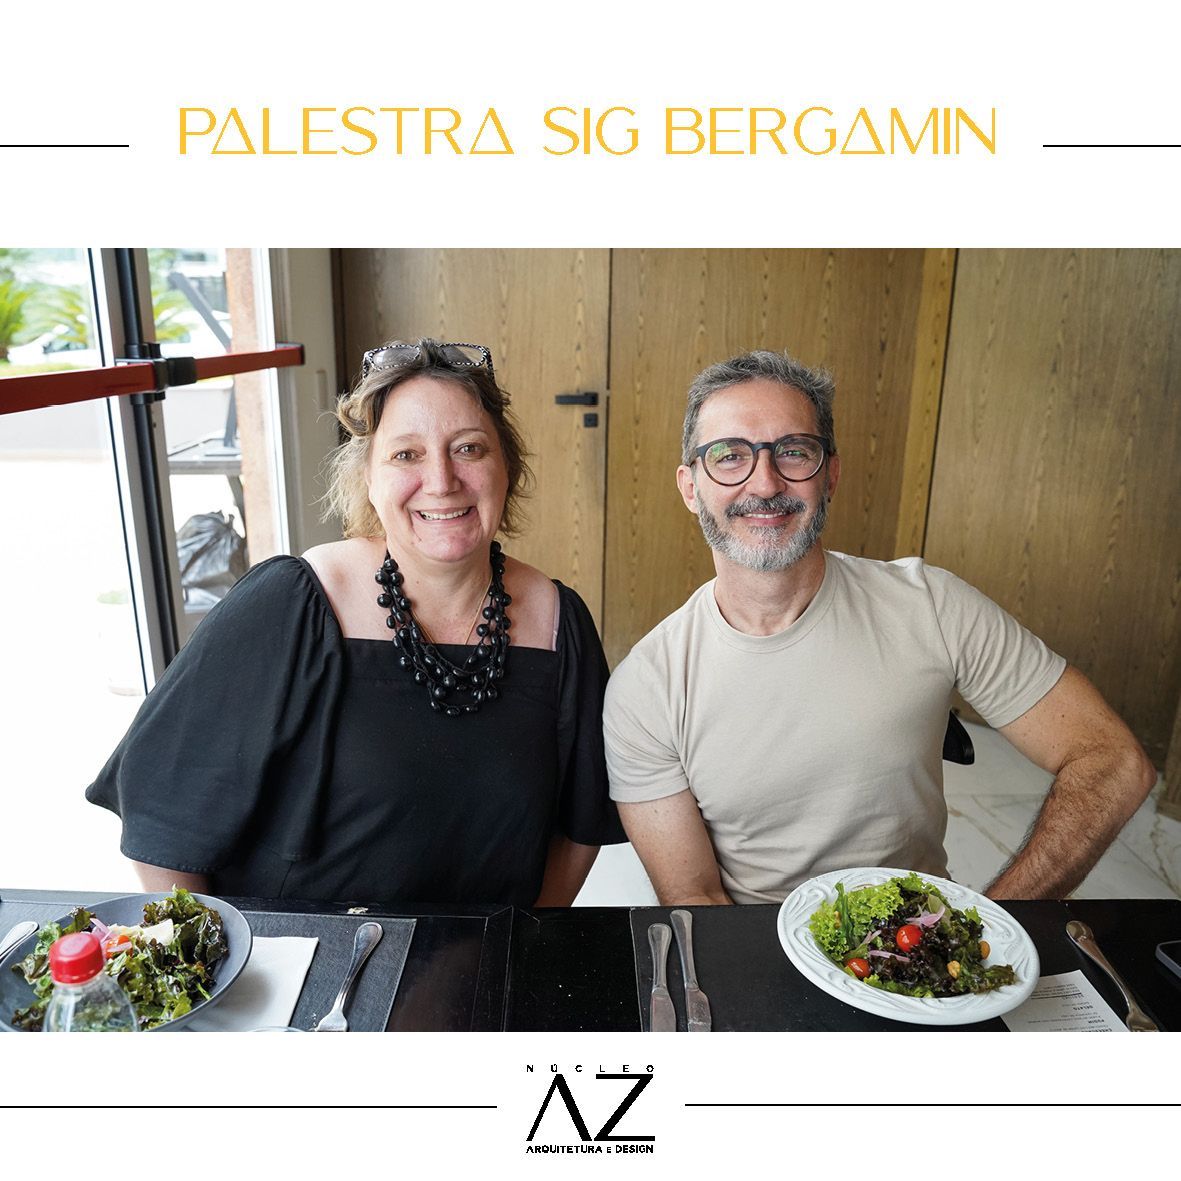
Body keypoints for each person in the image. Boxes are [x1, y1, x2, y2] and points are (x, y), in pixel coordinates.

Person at [603, 349, 1156, 905]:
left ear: (832, 475)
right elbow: (695, 899)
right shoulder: (645, 688)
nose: (765, 483)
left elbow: (1113, 760)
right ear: (690, 486)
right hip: (757, 955)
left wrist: (989, 926)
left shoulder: (932, 605)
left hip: (925, 957)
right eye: (728, 456)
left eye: (794, 452)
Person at [87, 338, 624, 906]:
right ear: (367, 476)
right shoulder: (294, 602)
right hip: (303, 962)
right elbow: (162, 817)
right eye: (406, 454)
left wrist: (523, 945)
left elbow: (578, 825)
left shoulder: (559, 620)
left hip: (482, 966)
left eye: (469, 448)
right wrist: (222, 964)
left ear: (506, 468)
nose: (442, 480)